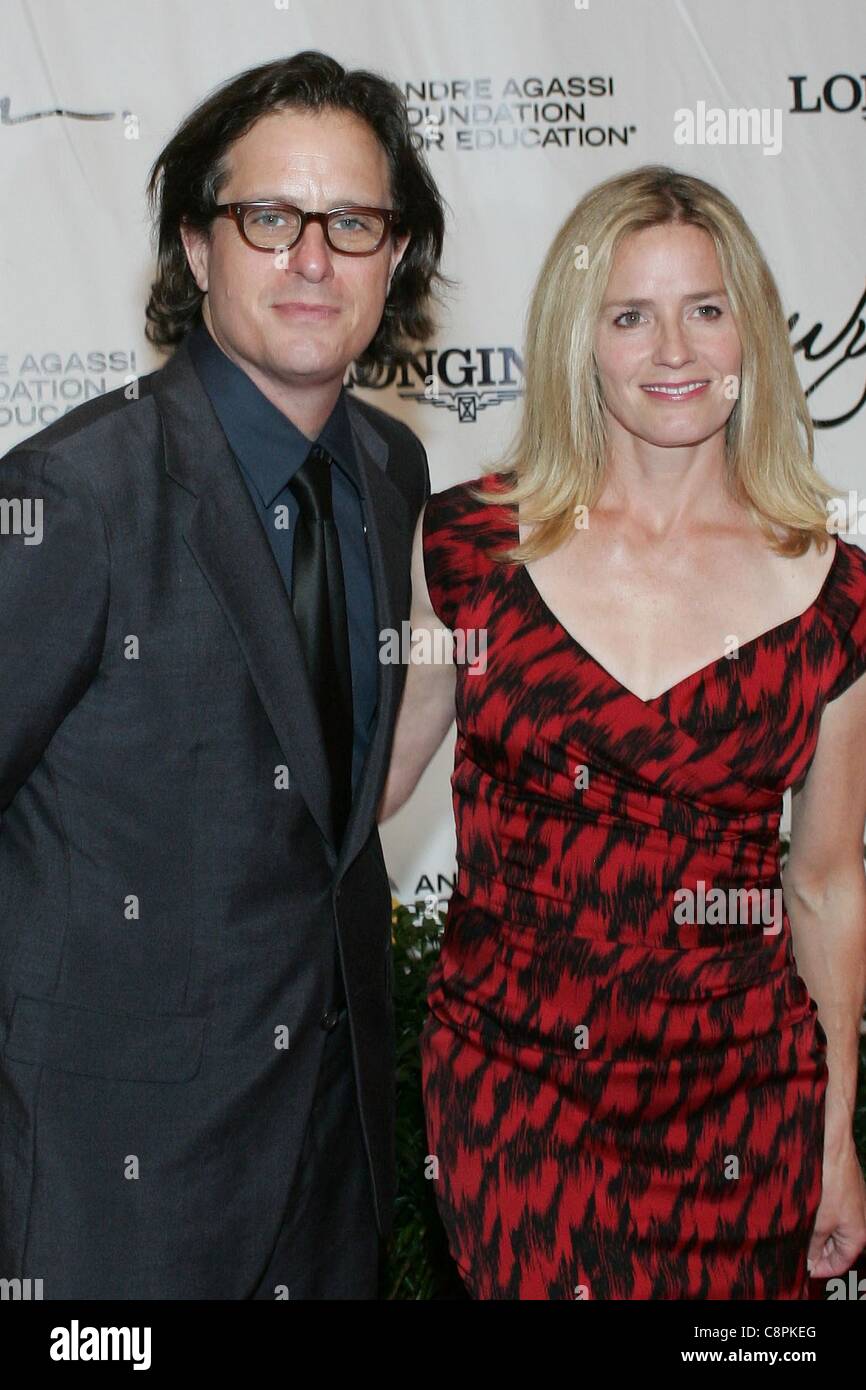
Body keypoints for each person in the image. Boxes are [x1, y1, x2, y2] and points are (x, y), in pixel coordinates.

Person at [0, 49, 445, 1299]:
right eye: (269, 218)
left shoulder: (390, 475)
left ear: (395, 257)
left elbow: (326, 817)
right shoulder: (70, 500)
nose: (313, 259)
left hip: (326, 1187)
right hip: (108, 1210)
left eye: (353, 224)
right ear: (197, 247)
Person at [380, 165, 866, 1299]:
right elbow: (366, 786)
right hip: (517, 1100)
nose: (672, 351)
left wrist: (835, 1138)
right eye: (629, 316)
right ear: (576, 338)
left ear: (749, 328)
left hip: (744, 1112)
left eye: (704, 308)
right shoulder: (465, 551)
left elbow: (829, 885)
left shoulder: (832, 592)